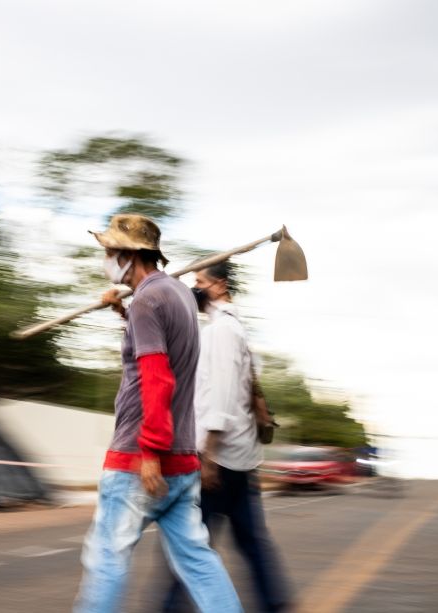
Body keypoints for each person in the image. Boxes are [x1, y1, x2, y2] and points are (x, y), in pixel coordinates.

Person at [74, 214, 242, 613]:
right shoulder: (178, 294)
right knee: (198, 561)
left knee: (106, 560)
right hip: (182, 461)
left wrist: (149, 453)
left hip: (139, 460)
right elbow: (153, 344)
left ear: (131, 255)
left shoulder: (148, 300)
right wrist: (121, 312)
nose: (107, 258)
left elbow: (157, 378)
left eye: (111, 251)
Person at [164, 260, 292, 612]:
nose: (194, 288)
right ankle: (275, 603)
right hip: (240, 457)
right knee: (249, 541)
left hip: (219, 459)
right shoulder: (235, 329)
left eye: (199, 281)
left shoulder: (221, 332)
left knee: (189, 544)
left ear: (219, 286)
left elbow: (219, 398)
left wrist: (208, 457)